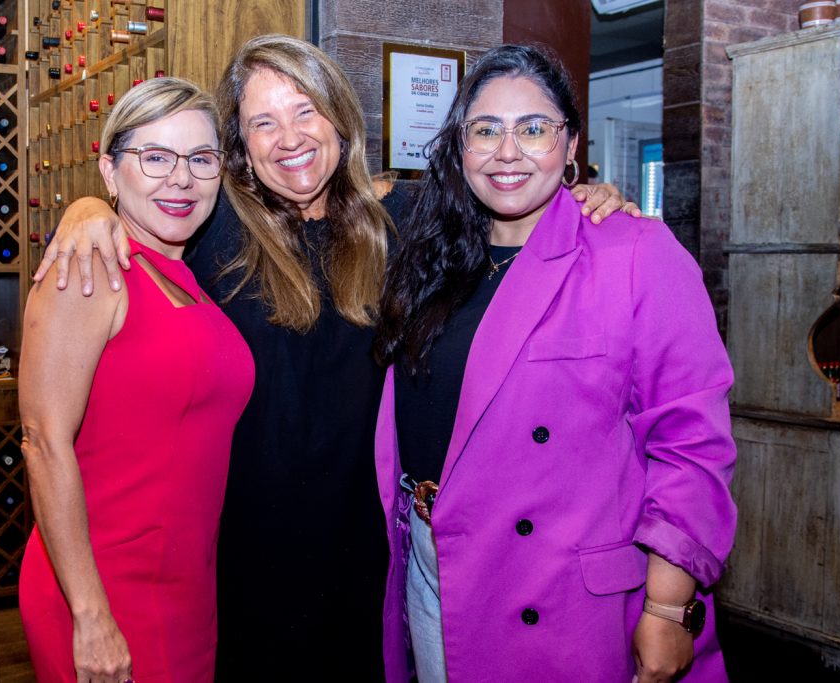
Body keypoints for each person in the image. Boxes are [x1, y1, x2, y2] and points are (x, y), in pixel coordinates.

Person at [32, 35, 635, 681]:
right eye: (263, 121)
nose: (288, 136)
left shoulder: (404, 219)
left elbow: (512, 207)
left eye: (305, 110)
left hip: (363, 549)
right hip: (238, 555)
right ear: (241, 147)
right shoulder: (215, 225)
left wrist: (591, 198)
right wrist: (87, 210)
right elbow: (146, 205)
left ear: (341, 120)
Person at [372, 44, 737, 683]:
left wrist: (670, 605)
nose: (507, 151)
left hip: (559, 590)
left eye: (534, 128)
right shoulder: (431, 254)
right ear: (459, 147)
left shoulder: (635, 252)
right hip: (433, 560)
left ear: (570, 145)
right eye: (485, 130)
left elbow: (692, 446)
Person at [17, 77, 254, 683]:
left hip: (185, 584)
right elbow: (44, 441)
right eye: (155, 157)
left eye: (201, 159)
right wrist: (90, 615)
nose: (181, 179)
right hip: (102, 587)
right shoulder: (89, 268)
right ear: (108, 169)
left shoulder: (187, 274)